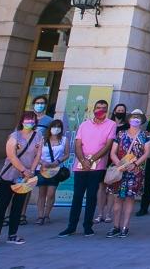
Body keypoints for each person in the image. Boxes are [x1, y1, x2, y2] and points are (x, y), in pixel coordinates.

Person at [58, 99, 115, 237]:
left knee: (91, 196)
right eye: (98, 107)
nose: (100, 110)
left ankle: (87, 226)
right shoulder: (84, 124)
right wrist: (83, 161)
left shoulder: (111, 124)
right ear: (93, 109)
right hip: (81, 166)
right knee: (77, 196)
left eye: (104, 108)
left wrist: (92, 159)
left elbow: (107, 145)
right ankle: (71, 226)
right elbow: (78, 144)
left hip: (97, 166)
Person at [0, 111, 41, 248]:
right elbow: (12, 156)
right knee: (2, 205)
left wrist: (31, 171)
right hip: (10, 175)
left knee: (18, 206)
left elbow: (38, 155)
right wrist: (24, 170)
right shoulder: (14, 136)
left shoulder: (38, 136)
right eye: (27, 120)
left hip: (25, 178)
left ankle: (12, 234)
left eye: (32, 120)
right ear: (22, 121)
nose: (30, 122)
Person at [107, 109, 150, 237]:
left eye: (138, 117)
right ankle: (115, 226)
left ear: (142, 120)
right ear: (129, 119)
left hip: (135, 171)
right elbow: (113, 152)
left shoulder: (145, 135)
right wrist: (119, 164)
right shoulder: (121, 134)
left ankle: (125, 226)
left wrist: (134, 164)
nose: (135, 119)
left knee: (129, 198)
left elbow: (147, 153)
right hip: (120, 170)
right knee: (117, 199)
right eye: (133, 117)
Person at [35, 118, 70, 225]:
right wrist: (42, 162)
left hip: (55, 169)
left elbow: (66, 154)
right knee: (42, 192)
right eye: (54, 126)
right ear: (50, 128)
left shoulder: (64, 140)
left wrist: (57, 161)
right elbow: (36, 154)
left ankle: (47, 214)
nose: (56, 129)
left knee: (51, 193)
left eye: (58, 127)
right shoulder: (42, 139)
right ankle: (40, 216)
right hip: (42, 168)